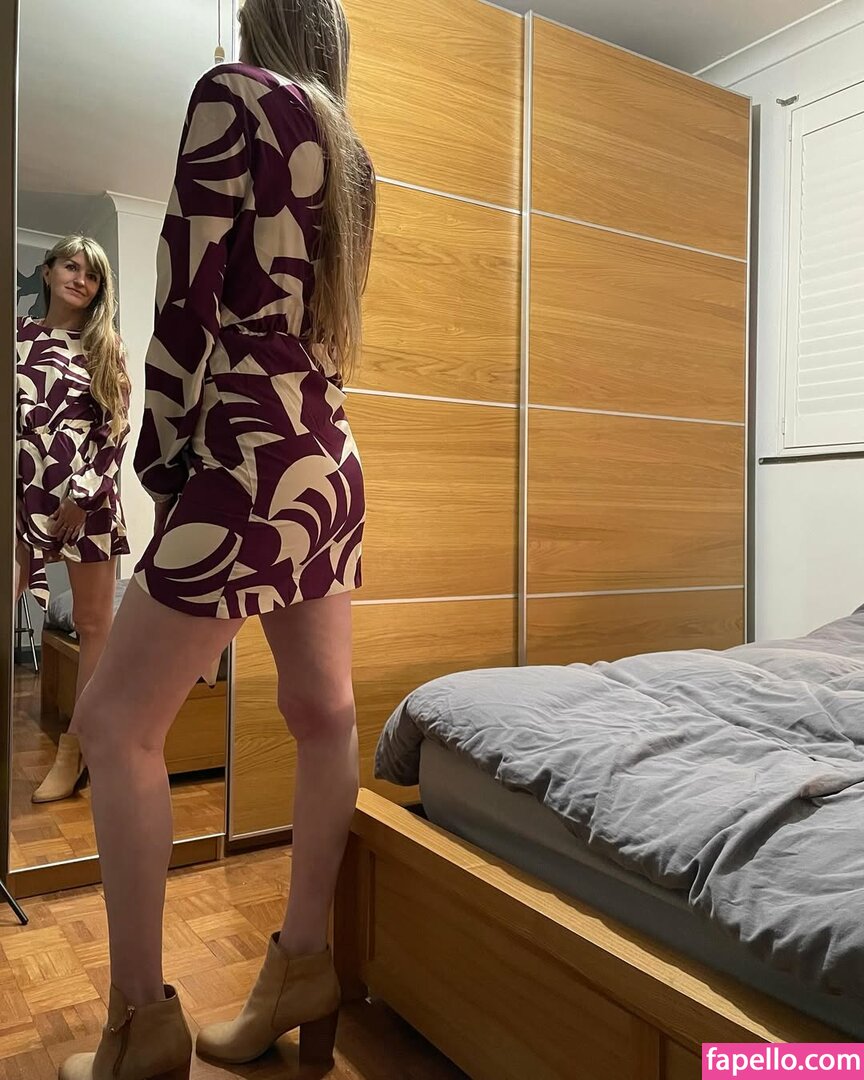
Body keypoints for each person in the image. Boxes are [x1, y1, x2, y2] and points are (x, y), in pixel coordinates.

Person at [58, 0, 375, 1077]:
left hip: (247, 448)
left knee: (113, 723)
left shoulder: (233, 95)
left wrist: (161, 465)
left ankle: (142, 1023)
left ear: (258, 22)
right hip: (327, 451)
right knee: (325, 715)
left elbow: (186, 306)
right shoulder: (350, 152)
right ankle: (302, 970)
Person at [16, 236, 131, 804]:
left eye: (92, 274)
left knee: (92, 623)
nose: (80, 279)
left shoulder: (105, 345)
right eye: (70, 266)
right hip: (22, 494)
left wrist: (82, 497)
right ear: (47, 271)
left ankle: (77, 748)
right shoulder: (17, 338)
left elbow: (116, 429)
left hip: (87, 502)